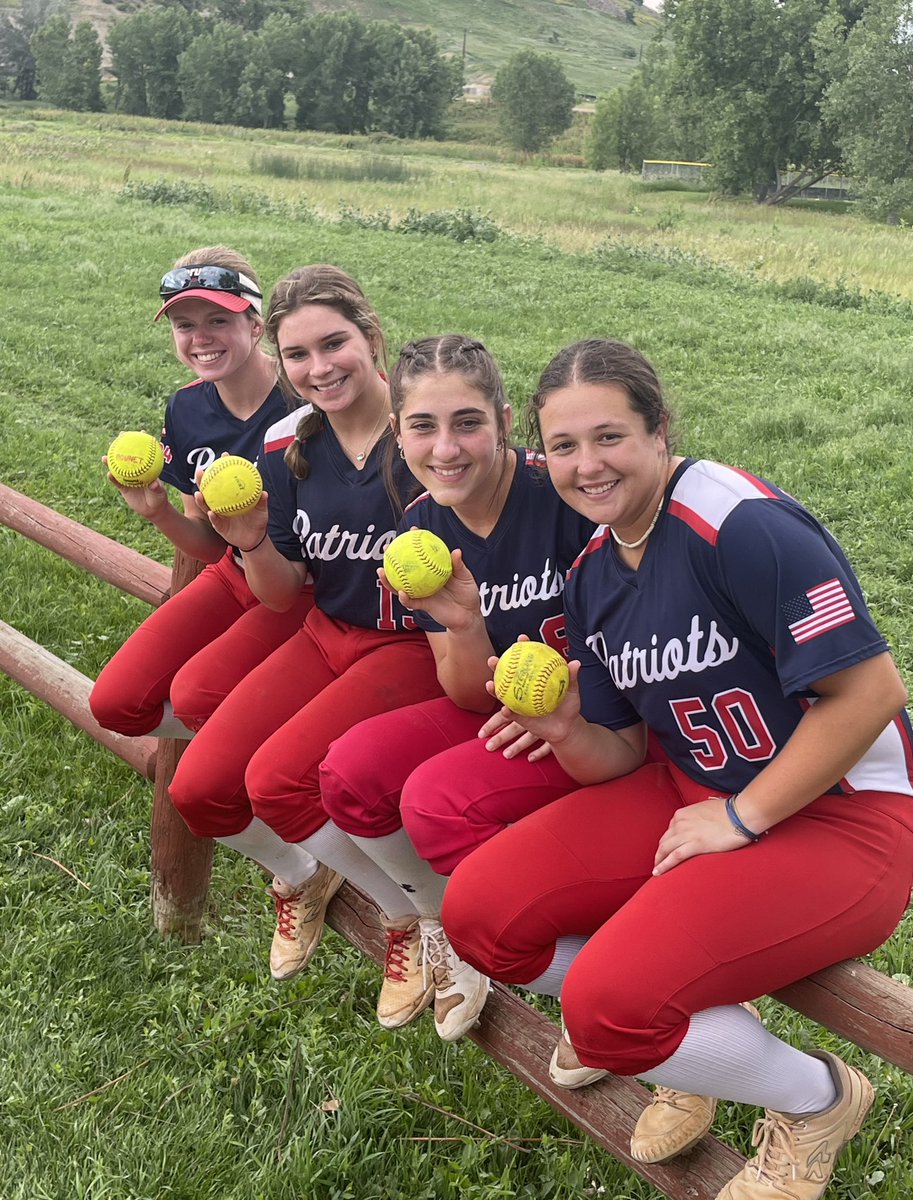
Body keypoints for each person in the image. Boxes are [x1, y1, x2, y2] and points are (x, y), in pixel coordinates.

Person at [441, 339, 913, 1200]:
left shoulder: (736, 523)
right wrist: (562, 725)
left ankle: (817, 1100)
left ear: (662, 432)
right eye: (562, 446)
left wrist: (740, 819)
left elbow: (869, 693)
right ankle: (686, 1049)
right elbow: (620, 752)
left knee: (606, 1010)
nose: (586, 466)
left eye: (609, 437)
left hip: (840, 814)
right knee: (482, 918)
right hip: (690, 786)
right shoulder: (592, 569)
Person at [166, 265, 445, 983]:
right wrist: (253, 539)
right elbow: (284, 593)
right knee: (197, 792)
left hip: (415, 645)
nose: (318, 368)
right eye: (299, 355)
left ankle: (414, 915)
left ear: (372, 336)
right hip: (327, 629)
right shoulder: (288, 444)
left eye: (334, 344)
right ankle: (308, 876)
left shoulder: (430, 435)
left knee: (279, 780)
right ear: (281, 360)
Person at [317, 335, 595, 1042]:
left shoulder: (565, 493)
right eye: (422, 426)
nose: (446, 448)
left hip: (613, 718)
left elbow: (652, 623)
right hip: (519, 713)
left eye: (467, 422)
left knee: (437, 802)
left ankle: (600, 984)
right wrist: (467, 623)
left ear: (504, 422)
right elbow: (469, 693)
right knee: (349, 773)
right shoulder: (421, 527)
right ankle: (449, 930)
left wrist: (579, 705)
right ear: (396, 430)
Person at [90, 248, 315, 741]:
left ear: (257, 325)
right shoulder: (187, 408)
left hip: (308, 589)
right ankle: (230, 740)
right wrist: (160, 513)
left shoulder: (309, 400)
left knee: (200, 695)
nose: (200, 338)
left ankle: (254, 760)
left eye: (218, 319)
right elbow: (215, 544)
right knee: (114, 702)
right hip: (235, 574)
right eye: (184, 324)